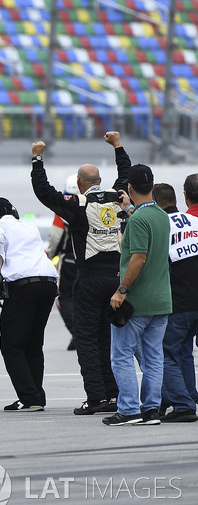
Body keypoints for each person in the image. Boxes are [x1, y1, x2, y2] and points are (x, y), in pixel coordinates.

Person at [30, 132, 130, 416]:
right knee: (106, 338)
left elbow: (44, 192)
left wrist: (37, 158)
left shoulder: (77, 204)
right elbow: (125, 173)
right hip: (115, 279)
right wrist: (118, 146)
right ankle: (112, 394)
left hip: (88, 280)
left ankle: (96, 397)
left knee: (86, 338)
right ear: (99, 181)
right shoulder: (117, 197)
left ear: (80, 184)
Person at [103, 164, 171, 426]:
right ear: (152, 187)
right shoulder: (160, 216)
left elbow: (138, 258)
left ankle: (129, 409)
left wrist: (122, 290)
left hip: (137, 302)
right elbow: (144, 222)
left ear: (129, 188)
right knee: (154, 356)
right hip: (161, 300)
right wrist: (129, 209)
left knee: (121, 354)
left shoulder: (138, 220)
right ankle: (151, 409)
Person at [0, 197, 59, 412]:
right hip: (48, 282)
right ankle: (36, 395)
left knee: (11, 344)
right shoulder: (28, 224)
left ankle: (29, 398)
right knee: (34, 344)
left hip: (23, 285)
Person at [152, 179, 198, 422]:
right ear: (177, 200)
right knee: (183, 353)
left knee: (165, 354)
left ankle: (183, 406)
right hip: (195, 303)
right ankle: (187, 396)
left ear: (155, 203)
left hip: (177, 303)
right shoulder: (195, 222)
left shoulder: (161, 226)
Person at [48, 174, 78, 350]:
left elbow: (54, 237)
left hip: (69, 261)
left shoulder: (63, 211)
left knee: (64, 298)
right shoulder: (96, 205)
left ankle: (77, 332)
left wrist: (52, 255)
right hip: (92, 261)